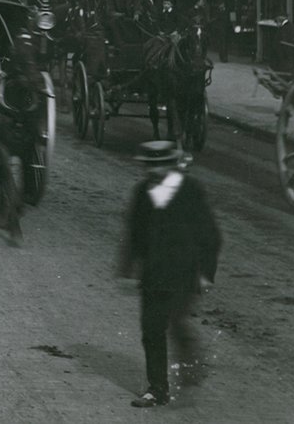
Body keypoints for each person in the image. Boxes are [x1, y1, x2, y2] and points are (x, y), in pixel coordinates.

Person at [118, 141, 221, 408]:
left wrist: (206, 274)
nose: (152, 172)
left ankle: (189, 362)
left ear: (172, 166)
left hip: (184, 274)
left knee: (175, 320)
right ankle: (157, 390)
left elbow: (211, 236)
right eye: (148, 166)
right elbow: (134, 233)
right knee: (151, 330)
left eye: (158, 166)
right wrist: (127, 269)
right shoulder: (142, 192)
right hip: (152, 274)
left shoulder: (190, 191)